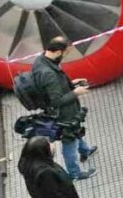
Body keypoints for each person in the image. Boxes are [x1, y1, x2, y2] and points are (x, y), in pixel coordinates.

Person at [31, 37, 96, 180]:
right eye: (66, 53)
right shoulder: (48, 73)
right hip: (64, 114)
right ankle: (75, 173)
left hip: (66, 112)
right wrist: (76, 92)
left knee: (75, 130)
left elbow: (52, 89)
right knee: (69, 141)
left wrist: (72, 83)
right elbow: (56, 101)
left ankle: (85, 150)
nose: (65, 56)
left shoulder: (41, 60)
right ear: (58, 52)